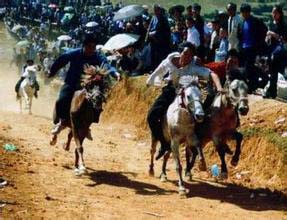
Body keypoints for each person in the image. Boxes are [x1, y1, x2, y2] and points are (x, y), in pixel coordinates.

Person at [146, 42, 223, 160]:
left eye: (190, 56)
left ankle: (197, 144)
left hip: (188, 92)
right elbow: (158, 72)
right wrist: (151, 81)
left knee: (200, 114)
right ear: (180, 53)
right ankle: (163, 143)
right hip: (171, 90)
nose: (186, 57)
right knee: (152, 115)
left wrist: (219, 88)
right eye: (185, 54)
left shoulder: (193, 66)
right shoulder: (170, 61)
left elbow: (212, 74)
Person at [47, 34, 120, 137]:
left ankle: (87, 126)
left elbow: (107, 65)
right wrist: (52, 72)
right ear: (83, 46)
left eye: (94, 47)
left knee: (98, 101)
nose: (91, 49)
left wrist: (115, 73)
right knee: (61, 100)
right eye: (89, 47)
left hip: (88, 86)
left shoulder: (97, 56)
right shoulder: (74, 53)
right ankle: (62, 122)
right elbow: (61, 60)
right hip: (71, 83)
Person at [264, 5, 287, 99]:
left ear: (280, 14)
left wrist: (272, 34)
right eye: (273, 12)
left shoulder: (283, 26)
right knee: (273, 72)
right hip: (271, 50)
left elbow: (283, 40)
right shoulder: (271, 24)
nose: (274, 15)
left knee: (282, 72)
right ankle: (272, 92)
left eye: (276, 13)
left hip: (281, 52)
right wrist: (268, 37)